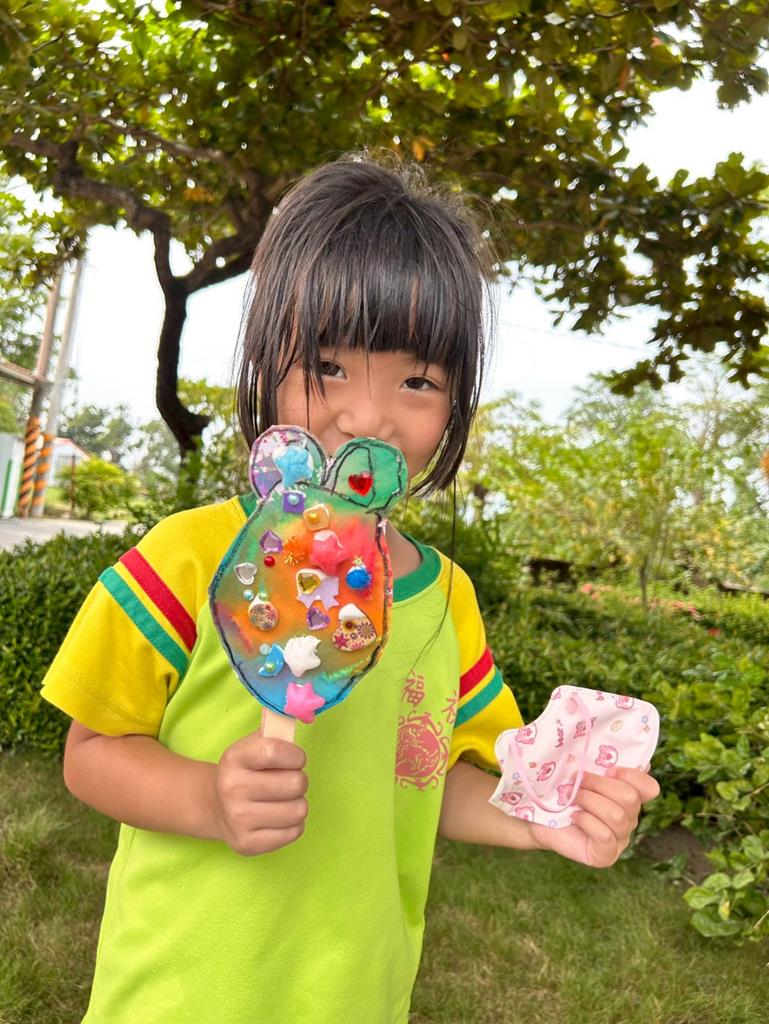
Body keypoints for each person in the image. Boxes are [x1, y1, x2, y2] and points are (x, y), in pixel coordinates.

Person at [41, 152, 660, 1024]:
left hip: (358, 997)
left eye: (417, 381)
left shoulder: (444, 600)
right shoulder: (186, 557)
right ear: (265, 359)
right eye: (328, 365)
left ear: (456, 401)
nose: (367, 416)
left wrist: (536, 820)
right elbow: (92, 752)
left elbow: (426, 774)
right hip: (177, 996)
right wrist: (206, 800)